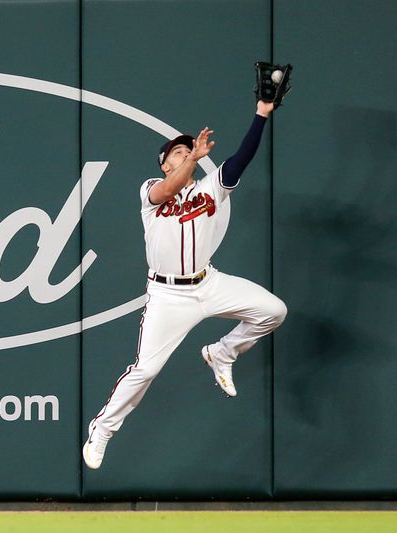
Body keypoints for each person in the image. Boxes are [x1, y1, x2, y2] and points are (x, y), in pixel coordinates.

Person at [83, 100, 287, 469]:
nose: (186, 153)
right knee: (145, 369)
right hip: (168, 296)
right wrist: (193, 158)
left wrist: (260, 114)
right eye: (178, 152)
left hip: (208, 283)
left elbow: (243, 157)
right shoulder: (150, 191)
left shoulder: (211, 188)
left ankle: (223, 353)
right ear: (165, 164)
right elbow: (168, 190)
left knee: (273, 311)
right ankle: (103, 428)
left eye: (188, 149)